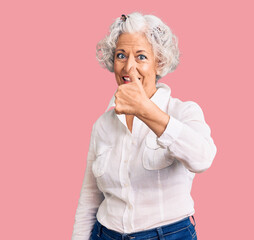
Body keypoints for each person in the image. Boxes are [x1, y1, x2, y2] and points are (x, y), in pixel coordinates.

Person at [72, 12, 217, 240]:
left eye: (141, 57)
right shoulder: (102, 125)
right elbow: (90, 199)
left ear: (159, 63)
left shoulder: (184, 112)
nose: (129, 67)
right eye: (121, 55)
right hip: (105, 234)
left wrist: (145, 110)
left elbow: (203, 158)